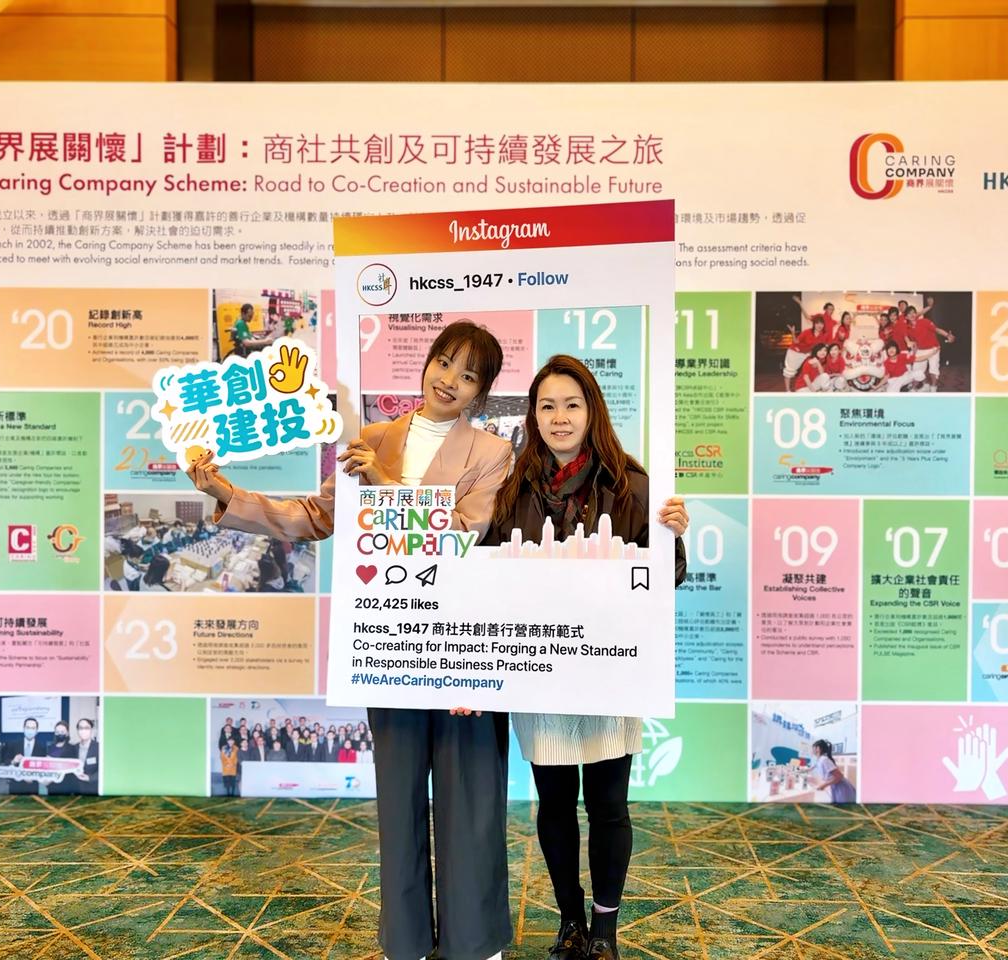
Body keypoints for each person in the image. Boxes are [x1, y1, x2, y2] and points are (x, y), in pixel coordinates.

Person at [187, 320, 515, 960]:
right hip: (388, 640)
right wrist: (226, 493)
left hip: (465, 643)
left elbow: (466, 533)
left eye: (468, 375)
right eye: (443, 363)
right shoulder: (374, 438)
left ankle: (475, 943)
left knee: (470, 796)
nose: (449, 380)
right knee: (397, 798)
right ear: (426, 364)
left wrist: (387, 488)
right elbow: (315, 517)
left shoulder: (492, 453)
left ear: (481, 393)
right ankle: (405, 941)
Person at [479, 355, 689, 960]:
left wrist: (674, 536)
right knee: (553, 804)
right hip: (540, 667)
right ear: (533, 416)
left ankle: (604, 929)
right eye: (547, 406)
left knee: (608, 805)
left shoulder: (633, 485)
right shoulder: (511, 487)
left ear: (592, 410)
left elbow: (667, 578)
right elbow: (485, 574)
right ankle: (570, 920)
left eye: (572, 404)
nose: (560, 417)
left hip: (610, 670)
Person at [782, 307, 828, 392]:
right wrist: (793, 333)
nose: (819, 325)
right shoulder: (807, 332)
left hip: (807, 353)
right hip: (795, 351)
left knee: (811, 369)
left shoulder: (823, 336)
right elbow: (796, 341)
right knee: (790, 371)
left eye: (821, 323)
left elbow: (819, 348)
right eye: (817, 323)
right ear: (814, 324)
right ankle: (788, 390)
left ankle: (808, 387)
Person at [1, 717, 48, 795]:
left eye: (33, 728)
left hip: (33, 787)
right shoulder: (13, 744)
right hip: (15, 786)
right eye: (28, 727)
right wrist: (13, 761)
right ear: (23, 729)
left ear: (37, 731)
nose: (30, 730)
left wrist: (34, 777)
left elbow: (43, 767)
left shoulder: (41, 747)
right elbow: (5, 761)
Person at [63, 718, 99, 795]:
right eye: (81, 728)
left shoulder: (98, 748)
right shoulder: (73, 748)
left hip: (93, 790)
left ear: (91, 730)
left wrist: (90, 778)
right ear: (78, 731)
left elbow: (104, 770)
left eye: (86, 728)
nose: (83, 731)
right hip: (76, 790)